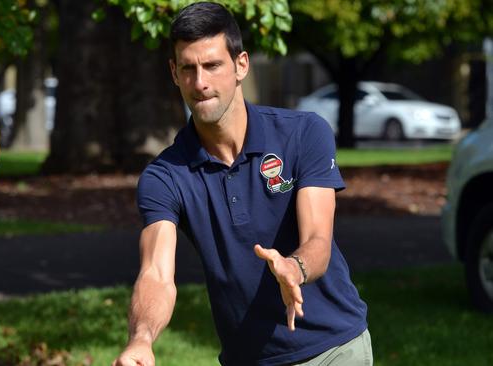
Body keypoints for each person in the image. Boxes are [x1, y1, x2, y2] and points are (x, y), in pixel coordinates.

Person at [112, 2, 371, 365]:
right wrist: (141, 339)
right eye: (188, 68)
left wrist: (293, 268)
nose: (200, 82)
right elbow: (156, 273)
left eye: (212, 65)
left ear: (241, 65)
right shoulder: (164, 176)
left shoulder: (302, 133)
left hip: (333, 348)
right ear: (174, 72)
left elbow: (318, 240)